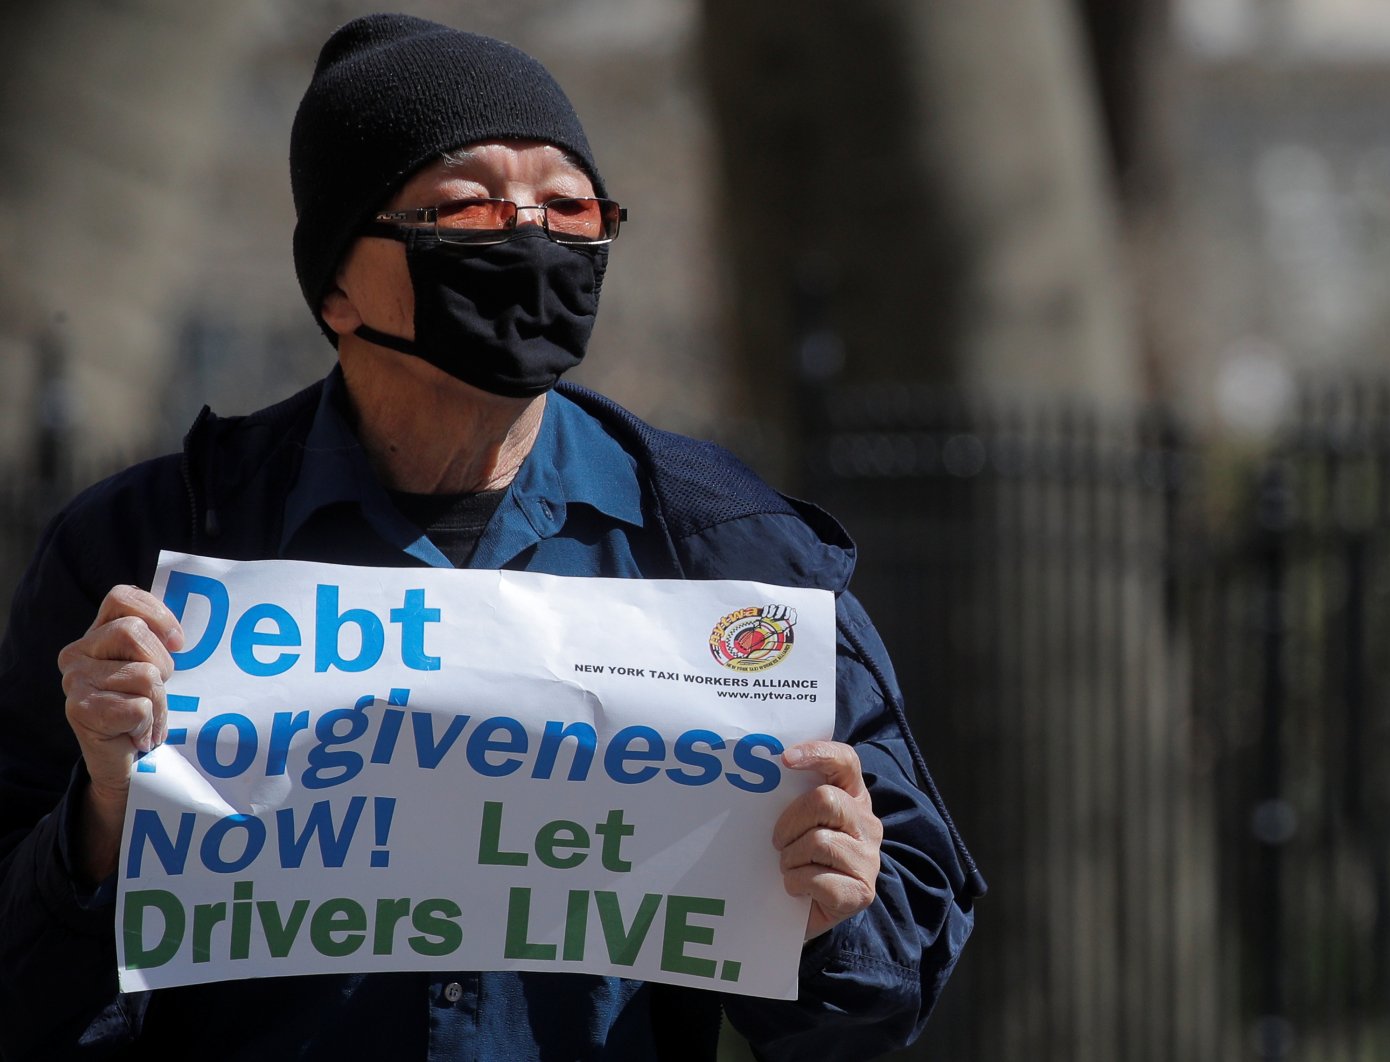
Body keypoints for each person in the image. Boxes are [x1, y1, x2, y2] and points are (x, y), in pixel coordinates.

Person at [0, 13, 981, 1061]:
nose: (531, 239)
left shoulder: (732, 553)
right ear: (337, 285)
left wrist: (838, 912)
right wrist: (103, 818)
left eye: (568, 206)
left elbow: (889, 988)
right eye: (466, 207)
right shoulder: (149, 549)